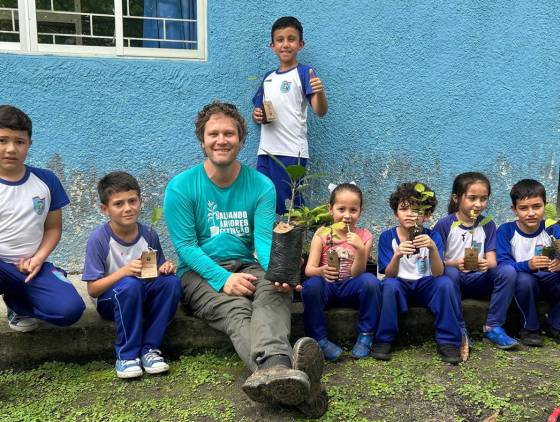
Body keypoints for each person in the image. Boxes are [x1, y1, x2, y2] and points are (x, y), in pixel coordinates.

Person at [164, 101, 327, 418]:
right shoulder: (181, 187)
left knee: (273, 291)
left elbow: (264, 240)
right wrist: (223, 279)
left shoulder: (261, 185)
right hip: (199, 272)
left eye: (229, 133)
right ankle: (290, 376)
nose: (221, 140)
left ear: (240, 140)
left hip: (247, 264)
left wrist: (277, 272)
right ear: (202, 141)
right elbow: (186, 246)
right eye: (214, 134)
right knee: (236, 308)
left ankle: (278, 376)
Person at [82, 171, 182, 379]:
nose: (128, 208)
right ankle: (126, 356)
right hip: (112, 301)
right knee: (129, 284)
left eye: (132, 201)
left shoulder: (148, 234)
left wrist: (166, 268)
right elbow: (93, 289)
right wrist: (124, 272)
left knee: (171, 283)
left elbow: (153, 270)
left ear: (140, 201)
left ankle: (150, 349)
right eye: (118, 204)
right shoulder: (99, 239)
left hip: (140, 296)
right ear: (104, 209)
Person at [0, 105, 85, 332]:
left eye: (19, 142)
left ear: (29, 144)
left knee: (70, 310)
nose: (10, 149)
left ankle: (19, 304)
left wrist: (38, 258)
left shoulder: (46, 180)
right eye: (2, 140)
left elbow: (53, 229)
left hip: (31, 266)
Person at [372, 182, 463, 364]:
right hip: (400, 284)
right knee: (389, 286)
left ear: (427, 215)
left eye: (417, 210)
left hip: (426, 284)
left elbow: (438, 273)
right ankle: (384, 339)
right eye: (404, 209)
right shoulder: (387, 237)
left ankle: (448, 341)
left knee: (445, 283)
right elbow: (388, 275)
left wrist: (432, 249)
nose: (410, 214)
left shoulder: (433, 236)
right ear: (396, 212)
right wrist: (397, 255)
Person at [252, 16, 328, 215]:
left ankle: (297, 245)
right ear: (272, 45)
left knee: (290, 206)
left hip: (292, 153)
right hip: (265, 153)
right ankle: (270, 245)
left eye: (291, 39)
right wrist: (257, 115)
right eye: (280, 40)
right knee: (263, 201)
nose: (285, 44)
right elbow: (259, 110)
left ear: (300, 44)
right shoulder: (268, 77)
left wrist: (319, 92)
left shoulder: (304, 73)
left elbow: (320, 111)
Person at [434, 172, 518, 349]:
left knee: (508, 271)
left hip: (479, 279)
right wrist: (454, 263)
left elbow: (493, 262)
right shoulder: (445, 224)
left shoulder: (487, 224)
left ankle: (493, 326)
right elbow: (436, 264)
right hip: (452, 281)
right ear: (456, 198)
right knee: (448, 272)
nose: (478, 204)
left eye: (483, 198)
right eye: (472, 198)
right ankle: (459, 329)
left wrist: (485, 264)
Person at [302, 183, 382, 360]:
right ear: (330, 209)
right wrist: (321, 272)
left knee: (371, 281)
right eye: (341, 209)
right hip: (328, 287)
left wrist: (360, 250)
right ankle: (320, 340)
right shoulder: (322, 234)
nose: (347, 215)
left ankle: (366, 336)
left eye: (353, 210)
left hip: (350, 286)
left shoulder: (364, 236)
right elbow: (309, 269)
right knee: (311, 286)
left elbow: (357, 273)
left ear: (360, 211)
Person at [496, 179, 560, 346]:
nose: (531, 213)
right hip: (524, 280)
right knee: (525, 281)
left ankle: (555, 324)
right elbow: (503, 264)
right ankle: (529, 328)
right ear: (514, 209)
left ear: (545, 205)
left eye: (536, 207)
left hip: (549, 277)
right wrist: (527, 265)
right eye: (523, 208)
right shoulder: (506, 230)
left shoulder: (552, 228)